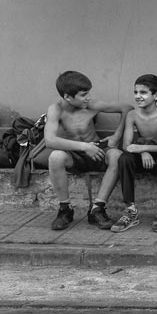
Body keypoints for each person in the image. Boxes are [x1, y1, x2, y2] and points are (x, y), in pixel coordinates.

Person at [44, 71, 132, 231]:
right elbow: (49, 140)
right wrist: (85, 146)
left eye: (88, 93)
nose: (88, 97)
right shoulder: (56, 109)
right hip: (74, 154)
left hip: (97, 151)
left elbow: (127, 109)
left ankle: (97, 209)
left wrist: (117, 135)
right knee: (55, 157)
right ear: (67, 96)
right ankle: (65, 210)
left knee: (117, 155)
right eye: (84, 94)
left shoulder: (91, 105)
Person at [112, 74, 157, 233]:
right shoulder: (132, 115)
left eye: (143, 92)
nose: (138, 96)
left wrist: (145, 149)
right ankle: (131, 210)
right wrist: (142, 152)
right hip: (142, 155)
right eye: (135, 92)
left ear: (156, 96)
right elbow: (127, 145)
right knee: (124, 159)